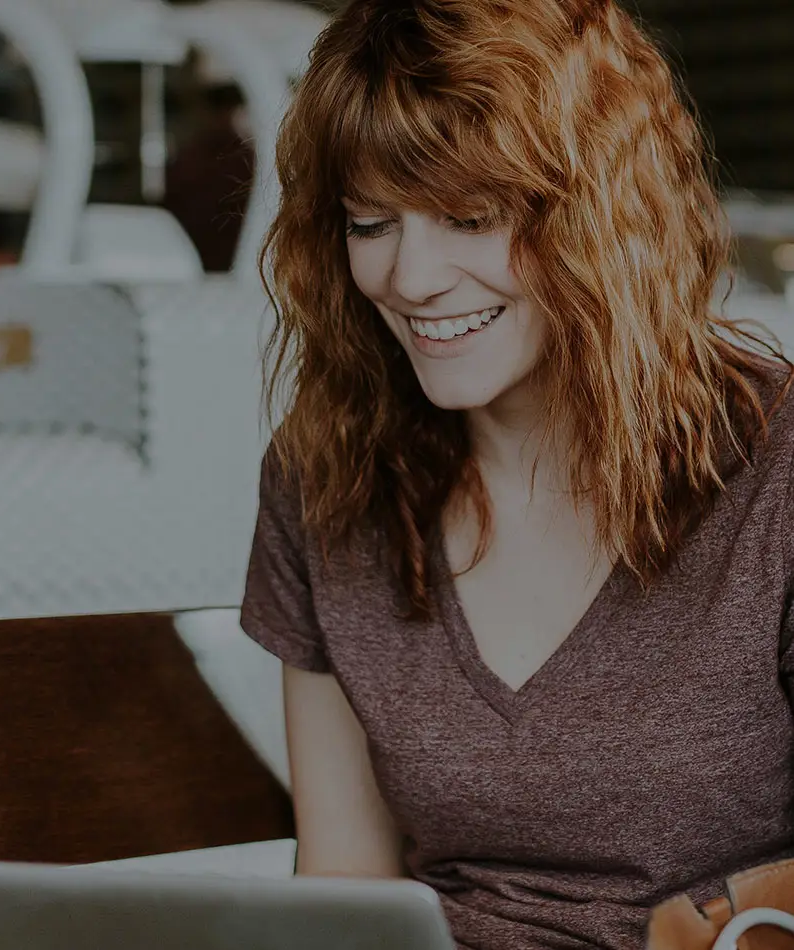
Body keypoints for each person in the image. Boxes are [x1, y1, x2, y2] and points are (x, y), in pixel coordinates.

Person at [239, 1, 794, 948]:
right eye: (371, 222)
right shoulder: (323, 472)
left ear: (604, 212)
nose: (411, 279)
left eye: (469, 217)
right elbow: (343, 895)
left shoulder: (775, 471)